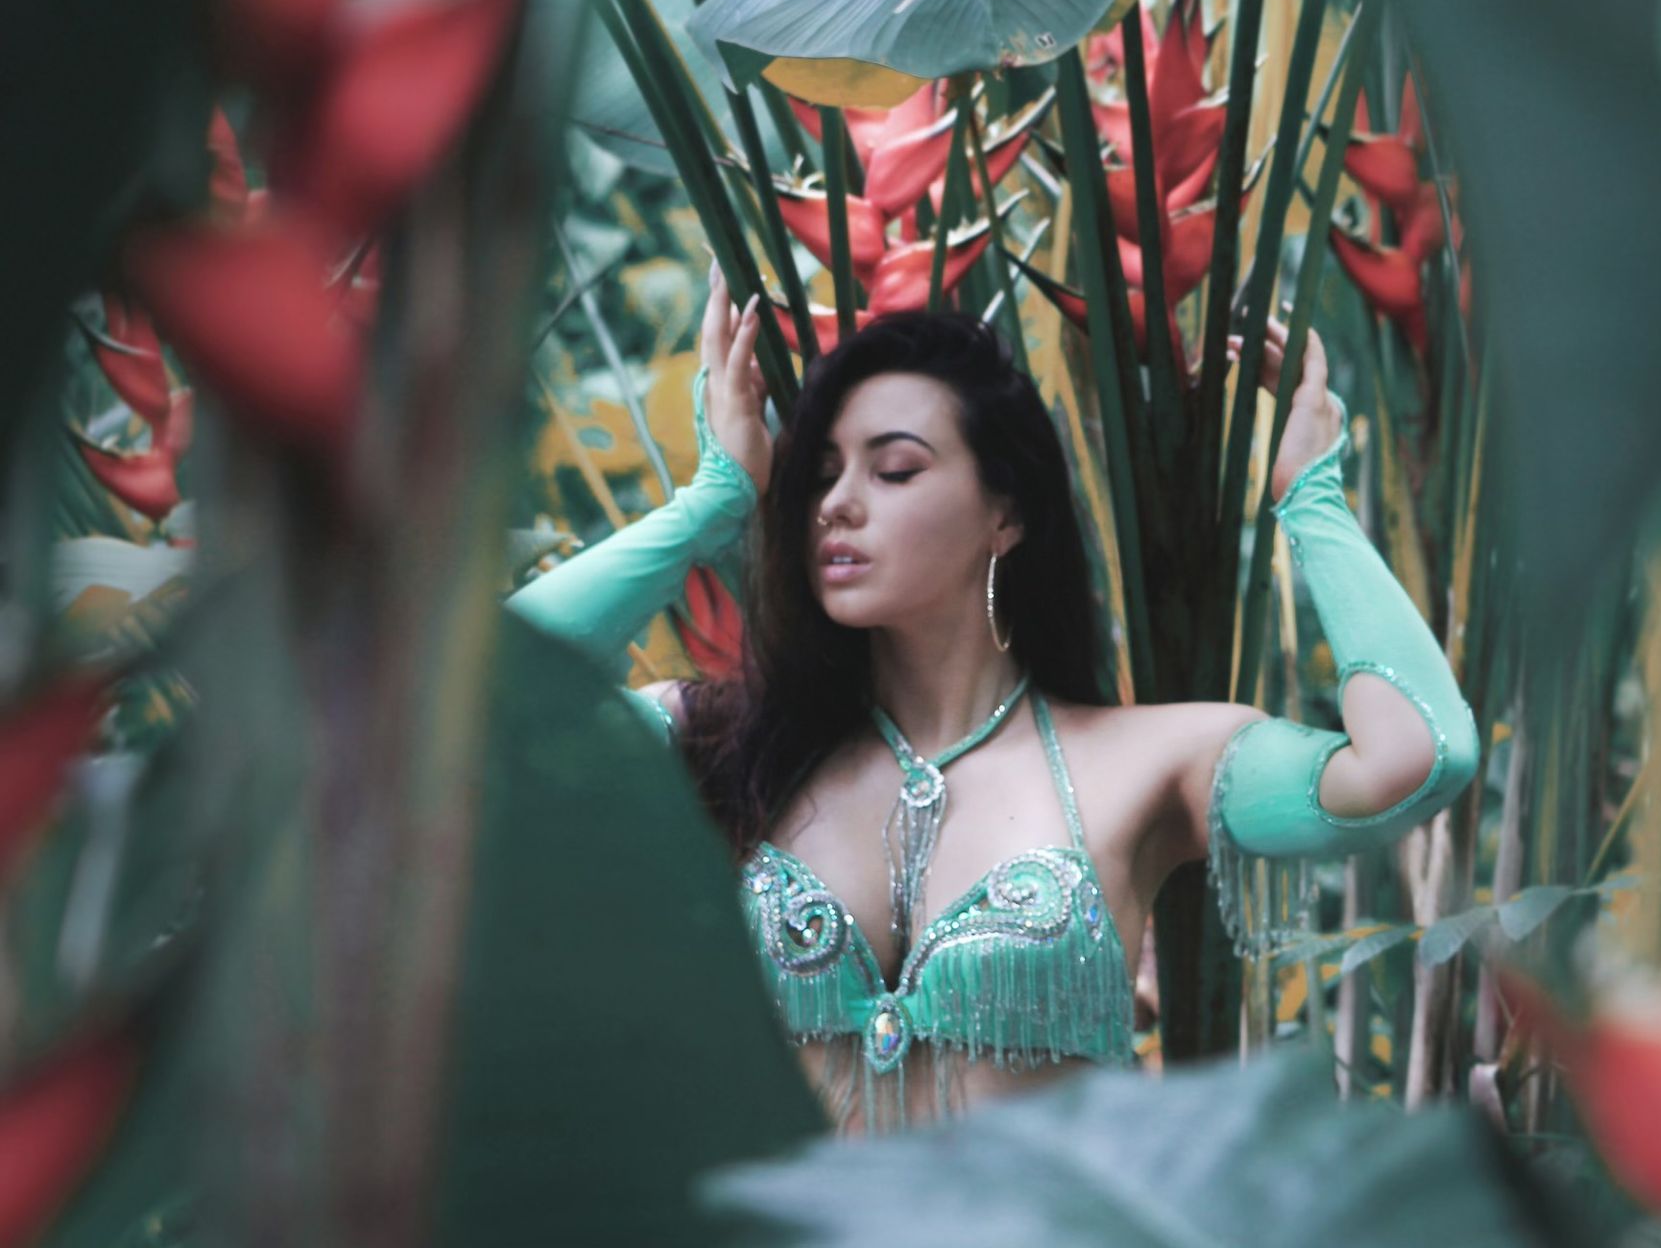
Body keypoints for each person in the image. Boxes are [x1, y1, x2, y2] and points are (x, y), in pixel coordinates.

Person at [507, 262, 1479, 1134]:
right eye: (820, 474)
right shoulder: (735, 748)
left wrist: (1310, 493)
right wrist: (713, 501)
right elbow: (493, 697)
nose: (838, 502)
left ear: (1006, 514)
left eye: (893, 469)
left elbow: (1420, 755)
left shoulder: (1146, 761)